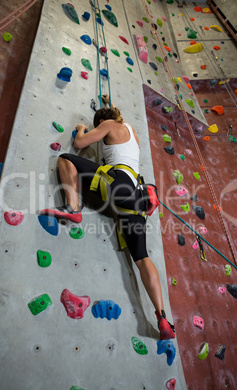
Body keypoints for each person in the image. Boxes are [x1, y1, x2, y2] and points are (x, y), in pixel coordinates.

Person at [40, 95, 175, 340]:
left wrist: (82, 129)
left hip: (116, 186)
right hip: (136, 198)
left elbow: (80, 143)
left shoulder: (109, 125)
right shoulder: (131, 132)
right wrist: (110, 103)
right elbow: (115, 120)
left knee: (65, 159)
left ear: (102, 120)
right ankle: (163, 318)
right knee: (142, 259)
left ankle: (72, 207)